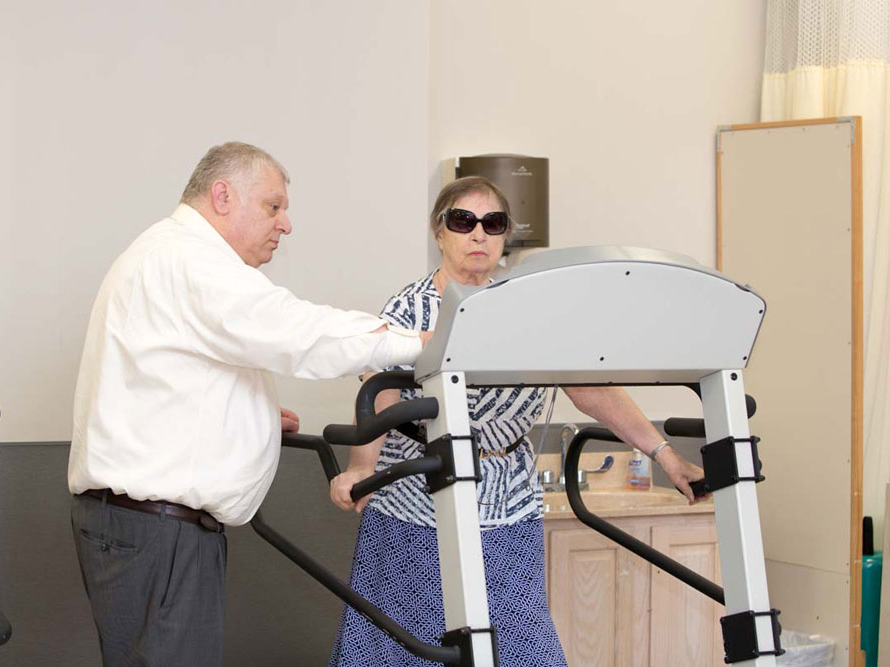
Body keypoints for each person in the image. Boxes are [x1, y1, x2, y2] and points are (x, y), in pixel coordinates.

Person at [68, 141, 429, 666]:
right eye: (273, 206)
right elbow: (297, 331)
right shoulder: (190, 260)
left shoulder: (160, 253)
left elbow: (168, 376)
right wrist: (419, 342)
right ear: (222, 196)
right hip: (160, 533)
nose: (286, 224)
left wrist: (250, 418)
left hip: (139, 528)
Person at [328, 176, 705, 667]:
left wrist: (665, 454)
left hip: (507, 502)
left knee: (522, 647)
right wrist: (362, 470)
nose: (478, 234)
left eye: (493, 223)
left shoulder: (527, 305)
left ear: (506, 236)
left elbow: (593, 389)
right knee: (408, 648)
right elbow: (380, 392)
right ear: (439, 232)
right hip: (419, 502)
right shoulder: (411, 306)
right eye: (463, 221)